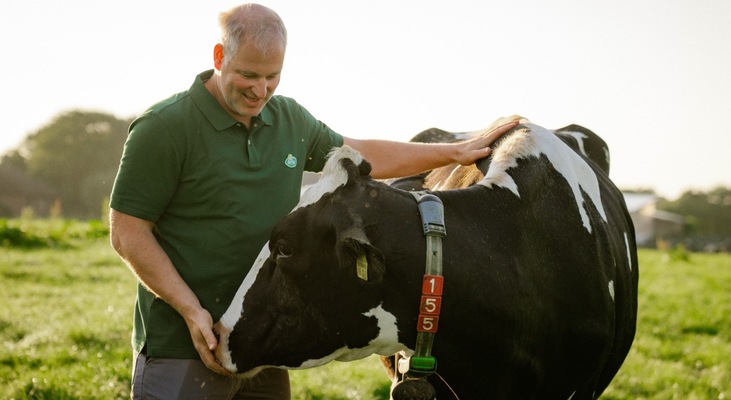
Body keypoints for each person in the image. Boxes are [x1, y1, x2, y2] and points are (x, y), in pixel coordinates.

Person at [109, 3, 517, 399]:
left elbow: (362, 155)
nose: (260, 90)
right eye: (248, 75)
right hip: (181, 347)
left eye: (272, 77)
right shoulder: (164, 127)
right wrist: (189, 309)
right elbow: (128, 232)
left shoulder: (289, 119)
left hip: (258, 342)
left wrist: (453, 152)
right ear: (219, 56)